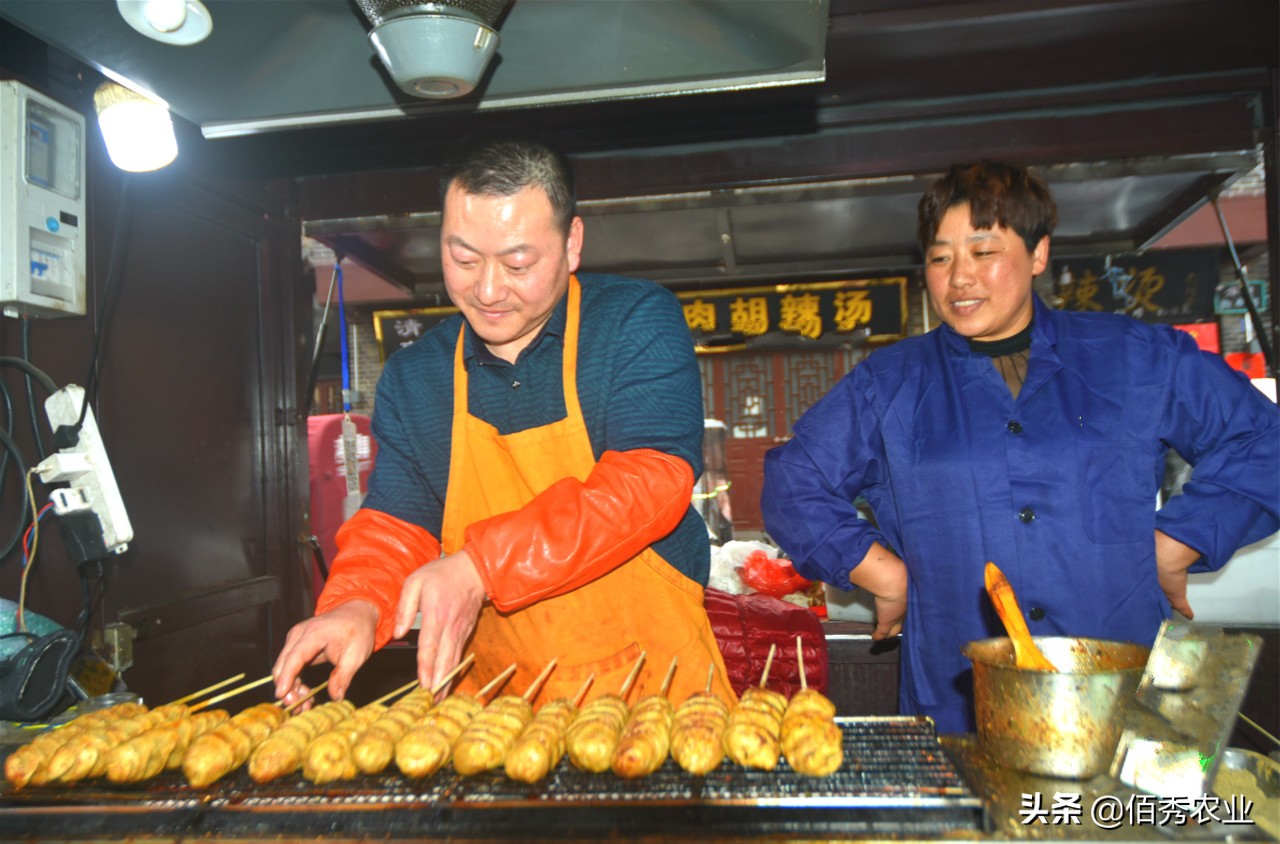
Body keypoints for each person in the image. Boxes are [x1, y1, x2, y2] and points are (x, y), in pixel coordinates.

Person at [761, 161, 1279, 734]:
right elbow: (794, 479)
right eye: (940, 257)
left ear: (1038, 254)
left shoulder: (1136, 358)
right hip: (965, 707)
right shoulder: (891, 383)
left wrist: (1180, 540)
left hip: (1123, 699)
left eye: (983, 251)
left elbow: (1264, 438)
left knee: (1126, 825)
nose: (959, 278)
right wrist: (882, 573)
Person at [273, 132, 734, 708]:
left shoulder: (633, 323)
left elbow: (649, 483)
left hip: (655, 691)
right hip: (495, 706)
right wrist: (358, 601)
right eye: (462, 259)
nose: (487, 290)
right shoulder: (418, 377)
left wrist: (480, 568)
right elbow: (397, 521)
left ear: (571, 245)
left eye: (517, 262)